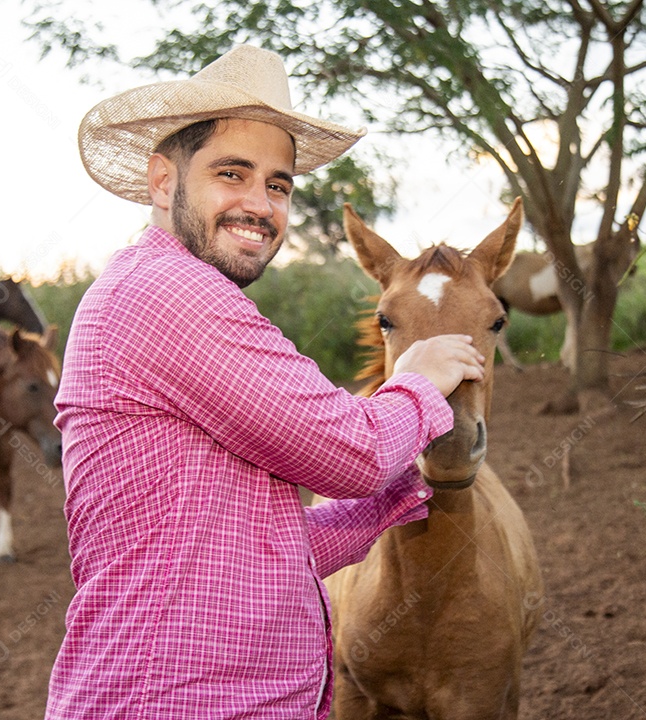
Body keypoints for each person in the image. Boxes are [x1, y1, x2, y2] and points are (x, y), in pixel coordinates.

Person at [45, 44, 486, 719]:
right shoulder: (169, 293)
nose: (260, 204)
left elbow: (262, 551)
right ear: (164, 182)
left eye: (277, 184)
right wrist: (418, 380)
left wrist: (404, 493)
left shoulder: (160, 293)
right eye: (232, 173)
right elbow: (352, 452)